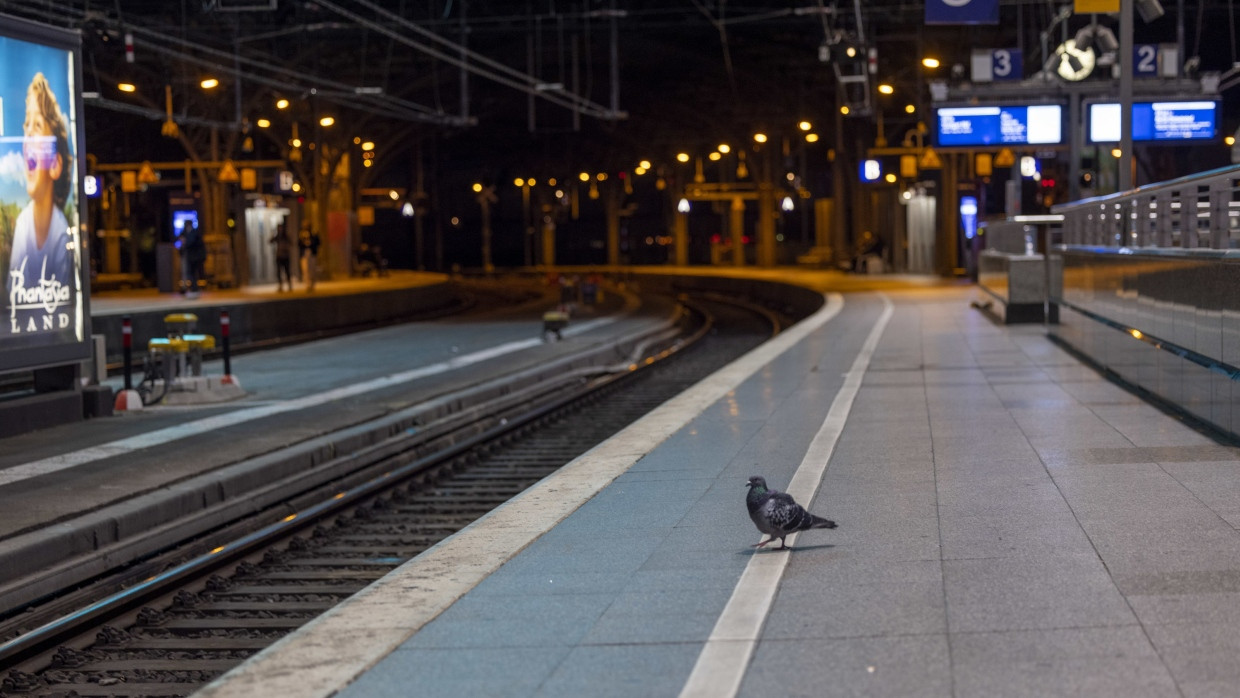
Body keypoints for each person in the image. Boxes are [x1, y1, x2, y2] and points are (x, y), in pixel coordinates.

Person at [8, 72, 74, 335]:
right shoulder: (23, 223)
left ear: (56, 164)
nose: (27, 139)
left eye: (37, 127)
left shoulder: (61, 231)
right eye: (26, 126)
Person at [180, 218, 206, 298]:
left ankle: (194, 288)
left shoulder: (194, 233)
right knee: (190, 272)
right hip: (191, 257)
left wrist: (185, 242)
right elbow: (180, 236)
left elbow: (190, 243)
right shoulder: (187, 232)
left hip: (194, 257)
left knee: (193, 272)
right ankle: (193, 288)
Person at [270, 222, 293, 291]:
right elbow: (270, 241)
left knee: (287, 271)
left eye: (281, 228)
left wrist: (286, 247)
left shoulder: (286, 236)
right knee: (279, 271)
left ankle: (289, 285)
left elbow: (291, 243)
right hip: (279, 256)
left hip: (286, 256)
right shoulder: (277, 236)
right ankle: (280, 285)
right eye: (278, 228)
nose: (280, 229)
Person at [298, 223, 320, 291]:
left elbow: (318, 243)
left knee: (312, 269)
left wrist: (312, 241)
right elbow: (298, 244)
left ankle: (312, 284)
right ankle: (307, 285)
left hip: (312, 254)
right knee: (305, 270)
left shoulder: (314, 234)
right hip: (304, 254)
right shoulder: (301, 234)